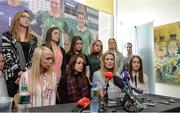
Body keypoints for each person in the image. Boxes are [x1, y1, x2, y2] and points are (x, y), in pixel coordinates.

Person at [2, 11, 37, 97]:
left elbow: (33, 58)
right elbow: (8, 57)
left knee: (26, 103)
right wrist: (19, 73)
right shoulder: (7, 36)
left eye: (29, 18)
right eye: (24, 16)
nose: (27, 19)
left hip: (28, 76)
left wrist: (24, 74)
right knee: (12, 104)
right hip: (12, 76)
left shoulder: (33, 39)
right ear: (18, 18)